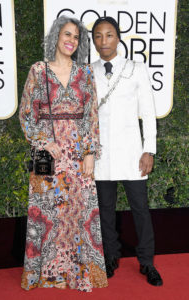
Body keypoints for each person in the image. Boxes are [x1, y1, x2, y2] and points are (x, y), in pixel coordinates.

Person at [19, 15, 108, 292]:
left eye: (76, 37)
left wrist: (91, 153)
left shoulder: (85, 73)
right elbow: (25, 114)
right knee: (46, 212)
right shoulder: (38, 70)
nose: (71, 40)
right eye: (67, 34)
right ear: (56, 37)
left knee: (78, 213)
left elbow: (91, 116)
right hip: (47, 155)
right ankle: (46, 274)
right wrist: (43, 141)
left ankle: (75, 272)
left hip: (78, 154)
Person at [91, 16, 163, 286]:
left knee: (140, 210)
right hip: (101, 156)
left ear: (118, 38)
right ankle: (110, 257)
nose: (103, 41)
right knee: (105, 211)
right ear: (94, 41)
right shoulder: (88, 71)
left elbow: (148, 112)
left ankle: (147, 263)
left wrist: (149, 150)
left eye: (109, 35)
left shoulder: (136, 68)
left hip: (133, 152)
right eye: (98, 36)